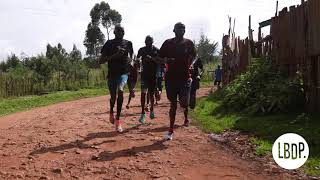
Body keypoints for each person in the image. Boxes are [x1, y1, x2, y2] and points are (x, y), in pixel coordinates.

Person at [159, 22, 196, 140]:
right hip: (170, 78)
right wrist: (165, 60)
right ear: (174, 30)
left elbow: (195, 55)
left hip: (184, 77)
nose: (181, 30)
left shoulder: (189, 43)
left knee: (184, 103)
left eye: (183, 29)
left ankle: (189, 97)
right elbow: (159, 57)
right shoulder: (167, 43)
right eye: (179, 29)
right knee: (173, 104)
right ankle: (170, 130)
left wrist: (190, 64)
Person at [99, 25, 133, 133]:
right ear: (114, 32)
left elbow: (131, 56)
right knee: (113, 97)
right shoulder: (109, 44)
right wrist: (115, 55)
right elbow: (101, 60)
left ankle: (118, 121)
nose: (120, 33)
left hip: (123, 73)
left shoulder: (128, 43)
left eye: (122, 31)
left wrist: (131, 63)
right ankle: (111, 112)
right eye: (118, 31)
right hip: (112, 74)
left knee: (121, 90)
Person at [137, 35, 160, 124]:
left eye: (150, 41)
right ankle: (142, 113)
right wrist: (138, 61)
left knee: (151, 94)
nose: (148, 43)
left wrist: (152, 59)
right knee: (143, 93)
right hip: (144, 74)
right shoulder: (141, 50)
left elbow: (160, 61)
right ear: (145, 42)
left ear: (152, 41)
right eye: (146, 41)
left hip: (153, 75)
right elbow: (137, 58)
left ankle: (152, 110)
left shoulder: (156, 50)